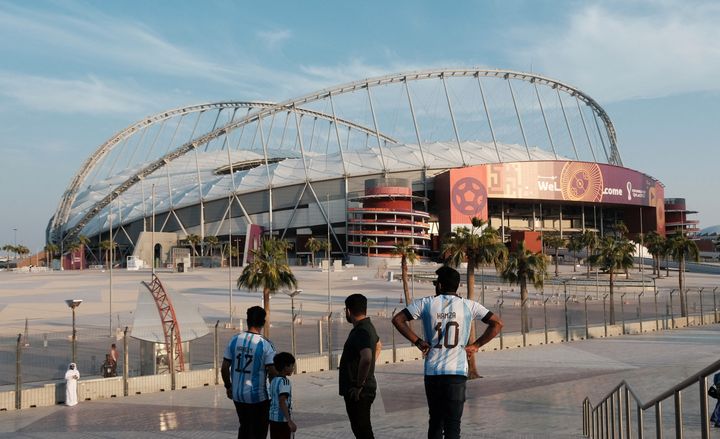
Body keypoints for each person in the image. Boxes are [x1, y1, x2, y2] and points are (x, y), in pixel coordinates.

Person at [392, 265, 503, 439]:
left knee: (435, 422)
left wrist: (418, 342)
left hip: (433, 372)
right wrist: (476, 345)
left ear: (441, 286)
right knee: (453, 426)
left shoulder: (426, 303)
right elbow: (497, 323)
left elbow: (398, 320)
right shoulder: (469, 305)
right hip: (456, 373)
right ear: (457, 286)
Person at [221, 306, 277, 439]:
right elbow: (272, 372)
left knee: (244, 427)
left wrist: (228, 386)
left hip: (238, 396)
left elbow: (224, 367)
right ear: (263, 323)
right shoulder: (266, 345)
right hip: (258, 397)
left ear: (247, 321)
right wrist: (275, 394)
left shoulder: (234, 340)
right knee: (259, 431)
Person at [339, 293, 381, 439]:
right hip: (363, 388)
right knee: (362, 429)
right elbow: (378, 345)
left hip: (358, 391)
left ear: (348, 311)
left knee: (362, 431)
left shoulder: (360, 331)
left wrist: (359, 384)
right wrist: (369, 368)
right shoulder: (368, 327)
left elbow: (367, 357)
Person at [269, 352, 297, 439]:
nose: (293, 368)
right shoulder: (285, 382)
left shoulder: (274, 381)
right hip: (282, 421)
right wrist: (289, 421)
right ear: (285, 367)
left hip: (273, 419)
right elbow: (282, 401)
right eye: (292, 366)